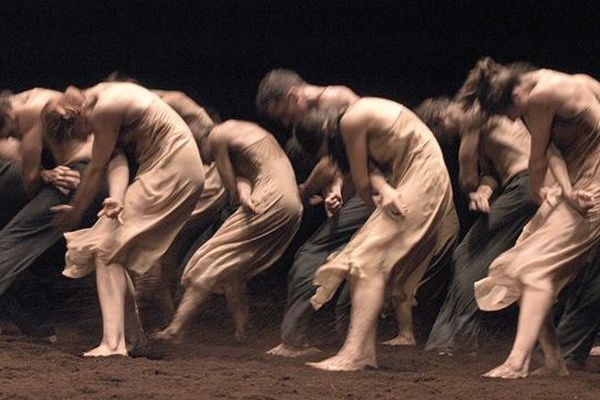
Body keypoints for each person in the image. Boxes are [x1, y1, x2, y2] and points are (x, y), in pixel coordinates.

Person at [295, 97, 457, 371]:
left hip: (422, 177)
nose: (331, 156)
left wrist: (380, 202)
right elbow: (374, 174)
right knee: (363, 259)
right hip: (416, 178)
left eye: (326, 150)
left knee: (367, 260)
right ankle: (363, 352)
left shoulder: (351, 120)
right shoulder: (357, 118)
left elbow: (360, 183)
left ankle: (354, 353)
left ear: (325, 130)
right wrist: (385, 192)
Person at [47, 82, 205, 357]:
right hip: (172, 169)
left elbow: (96, 168)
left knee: (106, 249)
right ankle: (132, 339)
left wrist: (75, 211)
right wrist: (117, 198)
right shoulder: (101, 102)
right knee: (111, 249)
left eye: (78, 133)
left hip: (172, 168)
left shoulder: (105, 108)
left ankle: (113, 344)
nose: (85, 138)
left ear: (81, 115)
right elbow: (115, 160)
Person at [466, 57, 600, 378]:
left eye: (508, 114)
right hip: (577, 183)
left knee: (534, 268)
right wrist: (565, 189)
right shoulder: (537, 87)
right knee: (516, 263)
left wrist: (536, 194)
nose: (513, 121)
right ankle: (554, 361)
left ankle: (518, 361)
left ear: (515, 97)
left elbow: (537, 157)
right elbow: (552, 149)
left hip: (594, 187)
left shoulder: (542, 95)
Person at [155, 120, 302, 343]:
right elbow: (245, 178)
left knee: (207, 261)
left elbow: (230, 186)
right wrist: (244, 194)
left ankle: (175, 331)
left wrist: (239, 193)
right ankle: (243, 330)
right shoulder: (243, 132)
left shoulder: (217, 136)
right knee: (232, 266)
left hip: (270, 201)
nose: (203, 162)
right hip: (290, 205)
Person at [415, 97, 538, 355]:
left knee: (469, 257)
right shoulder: (483, 122)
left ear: (442, 117)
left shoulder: (474, 114)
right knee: (476, 258)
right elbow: (493, 172)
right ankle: (452, 339)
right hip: (524, 185)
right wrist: (483, 192)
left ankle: (455, 341)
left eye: (445, 134)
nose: (451, 139)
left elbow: (467, 175)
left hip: (526, 185)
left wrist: (471, 188)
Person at [0, 88, 99, 341]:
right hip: (91, 174)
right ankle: (28, 322)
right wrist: (46, 176)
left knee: (13, 242)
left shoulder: (29, 109)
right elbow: (27, 173)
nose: (12, 139)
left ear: (10, 114)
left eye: (11, 133)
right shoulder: (42, 101)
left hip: (81, 176)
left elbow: (29, 176)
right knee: (16, 243)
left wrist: (43, 178)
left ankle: (29, 321)